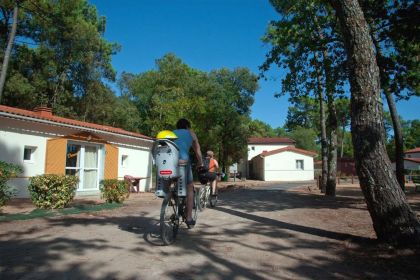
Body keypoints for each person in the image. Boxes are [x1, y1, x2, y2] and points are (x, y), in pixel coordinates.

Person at [173, 118, 203, 227]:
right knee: (190, 187)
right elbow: (197, 151)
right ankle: (189, 217)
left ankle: (173, 200)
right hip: (184, 162)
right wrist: (200, 163)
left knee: (175, 182)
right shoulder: (191, 134)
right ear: (187, 126)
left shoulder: (171, 133)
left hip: (170, 163)